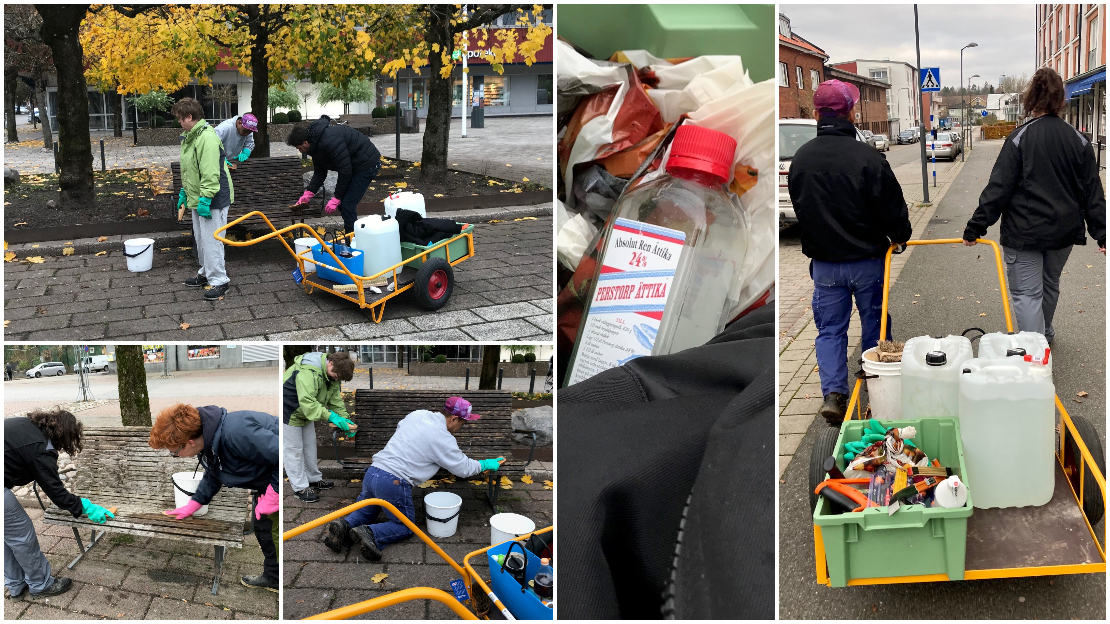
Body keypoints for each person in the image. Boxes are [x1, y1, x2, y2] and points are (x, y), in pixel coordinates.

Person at [788, 79, 912, 427]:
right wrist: (900, 236)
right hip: (868, 261)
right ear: (852, 113)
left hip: (826, 266)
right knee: (875, 322)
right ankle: (877, 386)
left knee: (830, 330)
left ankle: (834, 395)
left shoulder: (801, 159)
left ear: (816, 114)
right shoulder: (868, 157)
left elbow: (801, 208)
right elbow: (892, 207)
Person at [963, 67, 1106, 343]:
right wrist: (1102, 232)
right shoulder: (1079, 140)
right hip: (1062, 233)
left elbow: (998, 189)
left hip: (1023, 233)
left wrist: (976, 227)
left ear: (1032, 98)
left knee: (1027, 294)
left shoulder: (1018, 138)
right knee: (1050, 284)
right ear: (1060, 99)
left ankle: (1034, 353)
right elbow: (1092, 191)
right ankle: (1044, 334)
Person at [321, 397, 505, 561]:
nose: (461, 428)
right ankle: (370, 533)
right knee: (405, 527)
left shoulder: (418, 414)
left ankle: (344, 525)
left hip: (373, 472)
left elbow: (403, 430)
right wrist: (486, 464)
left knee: (366, 511)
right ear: (453, 419)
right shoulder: (443, 438)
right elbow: (463, 468)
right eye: (462, 424)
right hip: (393, 482)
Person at [149, 403, 279, 592]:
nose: (175, 456)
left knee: (274, 532)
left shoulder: (236, 433)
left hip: (280, 481)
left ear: (190, 442)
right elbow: (214, 474)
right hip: (266, 485)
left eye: (174, 452)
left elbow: (282, 453)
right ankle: (273, 578)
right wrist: (194, 503)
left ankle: (280, 584)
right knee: (263, 529)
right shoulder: (209, 441)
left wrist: (273, 495)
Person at [5, 410, 115, 599]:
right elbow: (58, 494)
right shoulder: (40, 447)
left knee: (7, 538)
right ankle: (41, 585)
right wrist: (86, 507)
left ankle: (16, 584)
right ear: (65, 435)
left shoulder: (26, 425)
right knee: (22, 537)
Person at [173, 97, 234, 300]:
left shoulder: (206, 137)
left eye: (180, 119)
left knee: (212, 240)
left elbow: (210, 173)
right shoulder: (191, 137)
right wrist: (185, 192)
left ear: (190, 117)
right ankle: (206, 272)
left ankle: (219, 280)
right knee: (201, 239)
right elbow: (191, 170)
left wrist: (206, 198)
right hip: (200, 197)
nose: (179, 122)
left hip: (213, 197)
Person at [287, 116, 382, 233]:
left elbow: (345, 171)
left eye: (299, 148)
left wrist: (337, 197)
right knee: (344, 206)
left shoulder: (329, 141)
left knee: (347, 205)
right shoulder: (315, 144)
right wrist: (308, 193)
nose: (300, 151)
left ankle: (352, 242)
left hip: (367, 164)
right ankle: (352, 235)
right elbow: (320, 172)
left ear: (305, 143)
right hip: (353, 166)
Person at [282, 351, 354, 503]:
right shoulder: (308, 371)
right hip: (288, 409)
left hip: (305, 412)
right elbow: (307, 401)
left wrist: (346, 420)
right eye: (337, 376)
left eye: (339, 378)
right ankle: (300, 488)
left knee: (309, 447)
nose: (337, 379)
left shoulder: (332, 374)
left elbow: (335, 401)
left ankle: (313, 479)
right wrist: (331, 416)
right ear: (331, 363)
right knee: (294, 451)